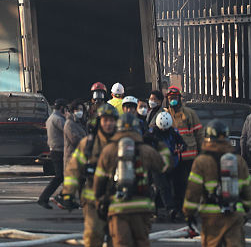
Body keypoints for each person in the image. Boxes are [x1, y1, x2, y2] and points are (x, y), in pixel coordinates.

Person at [93, 113, 164, 247]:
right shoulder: (146, 150)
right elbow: (164, 165)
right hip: (142, 207)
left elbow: (99, 180)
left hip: (118, 207)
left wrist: (99, 203)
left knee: (121, 243)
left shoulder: (108, 150)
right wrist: (159, 143)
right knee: (142, 242)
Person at [184, 120, 251, 247]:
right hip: (234, 214)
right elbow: (248, 191)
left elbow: (193, 191)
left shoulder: (201, 161)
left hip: (211, 217)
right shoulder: (238, 160)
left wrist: (188, 213)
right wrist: (245, 209)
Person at [58, 103, 119, 247]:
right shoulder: (88, 144)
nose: (109, 124)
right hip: (93, 199)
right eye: (105, 120)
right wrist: (68, 193)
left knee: (117, 238)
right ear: (99, 121)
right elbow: (73, 169)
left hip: (117, 199)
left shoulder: (123, 144)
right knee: (93, 236)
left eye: (112, 120)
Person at [166, 85, 203, 215]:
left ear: (180, 98)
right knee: (176, 184)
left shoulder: (189, 113)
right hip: (174, 157)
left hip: (189, 156)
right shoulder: (165, 115)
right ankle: (178, 207)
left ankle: (190, 207)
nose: (173, 100)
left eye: (175, 98)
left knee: (189, 184)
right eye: (171, 98)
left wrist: (201, 151)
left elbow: (199, 133)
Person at [150, 111, 185, 219]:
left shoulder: (173, 132)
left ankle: (176, 208)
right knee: (162, 187)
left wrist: (180, 148)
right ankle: (166, 209)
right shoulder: (152, 133)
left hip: (172, 163)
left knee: (175, 186)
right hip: (157, 164)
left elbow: (183, 143)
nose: (164, 131)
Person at [39, 97, 68, 209]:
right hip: (59, 150)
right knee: (60, 177)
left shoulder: (51, 118)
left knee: (62, 176)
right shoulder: (58, 119)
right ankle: (46, 198)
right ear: (62, 108)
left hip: (54, 150)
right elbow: (68, 129)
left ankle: (64, 197)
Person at [65, 99, 87, 168]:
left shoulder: (82, 123)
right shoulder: (70, 123)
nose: (80, 111)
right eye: (77, 109)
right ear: (73, 110)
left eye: (81, 110)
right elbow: (75, 140)